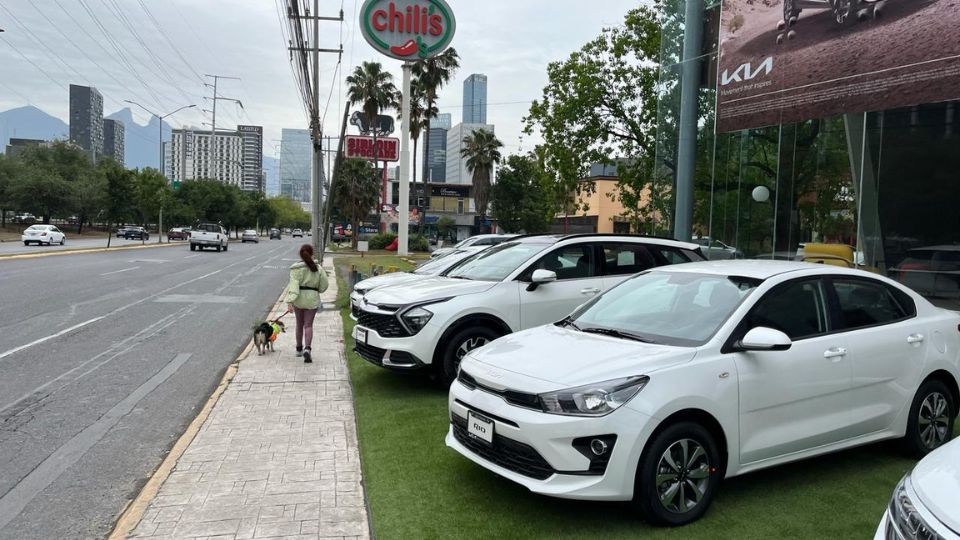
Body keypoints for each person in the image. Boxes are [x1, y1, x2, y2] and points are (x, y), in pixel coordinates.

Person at [285, 244, 329, 363]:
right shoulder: (318, 268)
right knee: (308, 325)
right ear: (312, 254)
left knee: (299, 325)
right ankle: (307, 349)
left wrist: (290, 301)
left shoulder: (295, 269)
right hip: (312, 299)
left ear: (300, 254)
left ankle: (299, 349)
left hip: (299, 298)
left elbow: (293, 287)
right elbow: (324, 284)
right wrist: (317, 290)